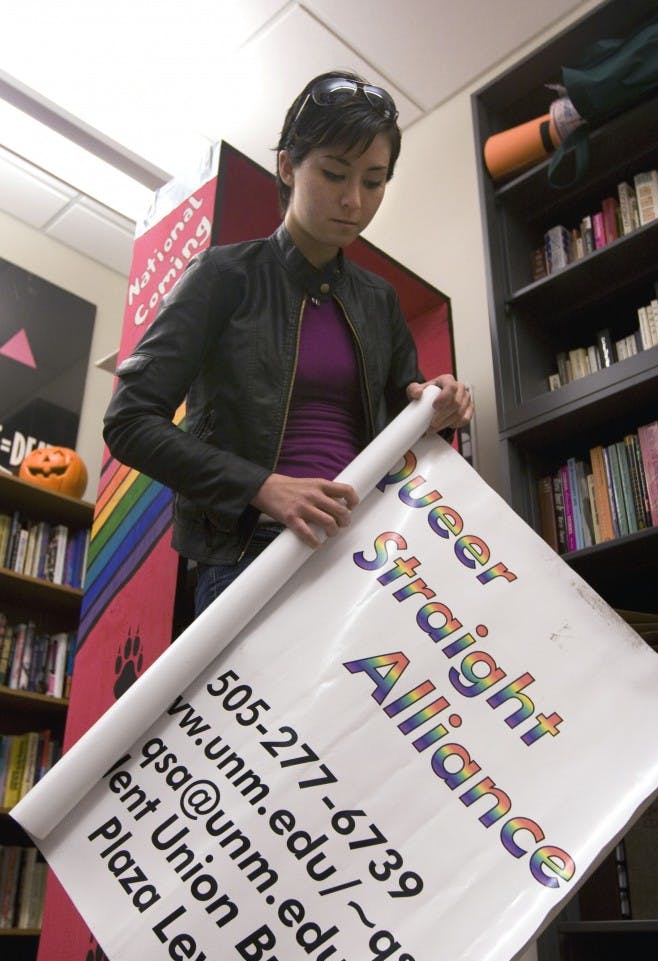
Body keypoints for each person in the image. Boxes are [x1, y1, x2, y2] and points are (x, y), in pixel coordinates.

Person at [103, 70, 473, 617]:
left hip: (367, 553)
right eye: (333, 173)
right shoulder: (221, 276)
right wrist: (262, 486)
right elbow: (128, 422)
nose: (353, 200)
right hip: (248, 553)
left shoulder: (379, 301)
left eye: (373, 182)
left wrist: (437, 405)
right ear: (286, 166)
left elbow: (403, 420)